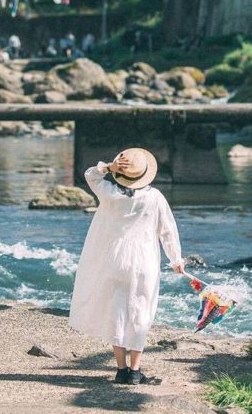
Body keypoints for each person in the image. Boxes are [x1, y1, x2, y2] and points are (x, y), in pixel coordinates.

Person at [69, 149, 185, 386]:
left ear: (121, 174)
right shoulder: (155, 197)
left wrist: (108, 167)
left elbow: (90, 175)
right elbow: (167, 231)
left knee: (117, 312)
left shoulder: (109, 194)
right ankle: (135, 371)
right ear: (145, 173)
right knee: (141, 313)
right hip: (144, 260)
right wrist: (176, 259)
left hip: (115, 260)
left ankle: (121, 369)